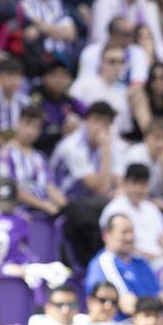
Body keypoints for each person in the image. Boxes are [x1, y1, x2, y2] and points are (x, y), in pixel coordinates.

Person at [53, 102, 129, 266]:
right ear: (86, 121)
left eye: (106, 123)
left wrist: (120, 189)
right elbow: (100, 188)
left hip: (92, 204)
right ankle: (99, 264)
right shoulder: (73, 145)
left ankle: (120, 263)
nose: (101, 127)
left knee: (122, 203)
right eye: (97, 121)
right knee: (104, 206)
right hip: (67, 203)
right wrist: (106, 150)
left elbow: (119, 179)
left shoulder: (109, 143)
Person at [0, 105, 67, 215]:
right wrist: (44, 205)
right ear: (18, 123)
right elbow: (11, 189)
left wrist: (67, 207)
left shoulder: (40, 157)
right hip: (17, 212)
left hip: (43, 211)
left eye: (37, 128)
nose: (31, 131)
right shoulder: (5, 154)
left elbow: (49, 186)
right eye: (27, 125)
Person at [86, 214, 161, 317]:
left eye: (131, 232)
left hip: (149, 322)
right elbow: (128, 306)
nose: (129, 237)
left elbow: (159, 297)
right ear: (106, 235)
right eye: (124, 232)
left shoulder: (141, 262)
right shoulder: (105, 263)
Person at [98, 164, 163, 262]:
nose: (139, 189)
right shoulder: (114, 209)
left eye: (143, 184)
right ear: (125, 183)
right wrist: (156, 259)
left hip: (161, 261)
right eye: (135, 183)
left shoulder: (152, 209)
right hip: (134, 262)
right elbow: (119, 246)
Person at [26, 284, 125, 325]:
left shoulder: (80, 320)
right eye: (59, 305)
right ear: (47, 308)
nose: (65, 310)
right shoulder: (37, 321)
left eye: (71, 305)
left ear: (77, 307)